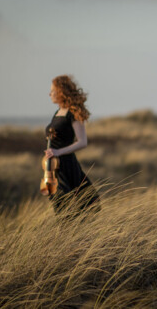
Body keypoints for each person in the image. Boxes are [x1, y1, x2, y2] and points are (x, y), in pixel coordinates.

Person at [44, 75, 100, 214]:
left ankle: (79, 232)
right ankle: (69, 233)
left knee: (81, 202)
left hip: (66, 164)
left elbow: (82, 142)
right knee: (60, 204)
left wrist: (58, 152)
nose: (49, 94)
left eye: (53, 91)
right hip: (54, 166)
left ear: (61, 92)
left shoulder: (72, 113)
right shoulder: (57, 112)